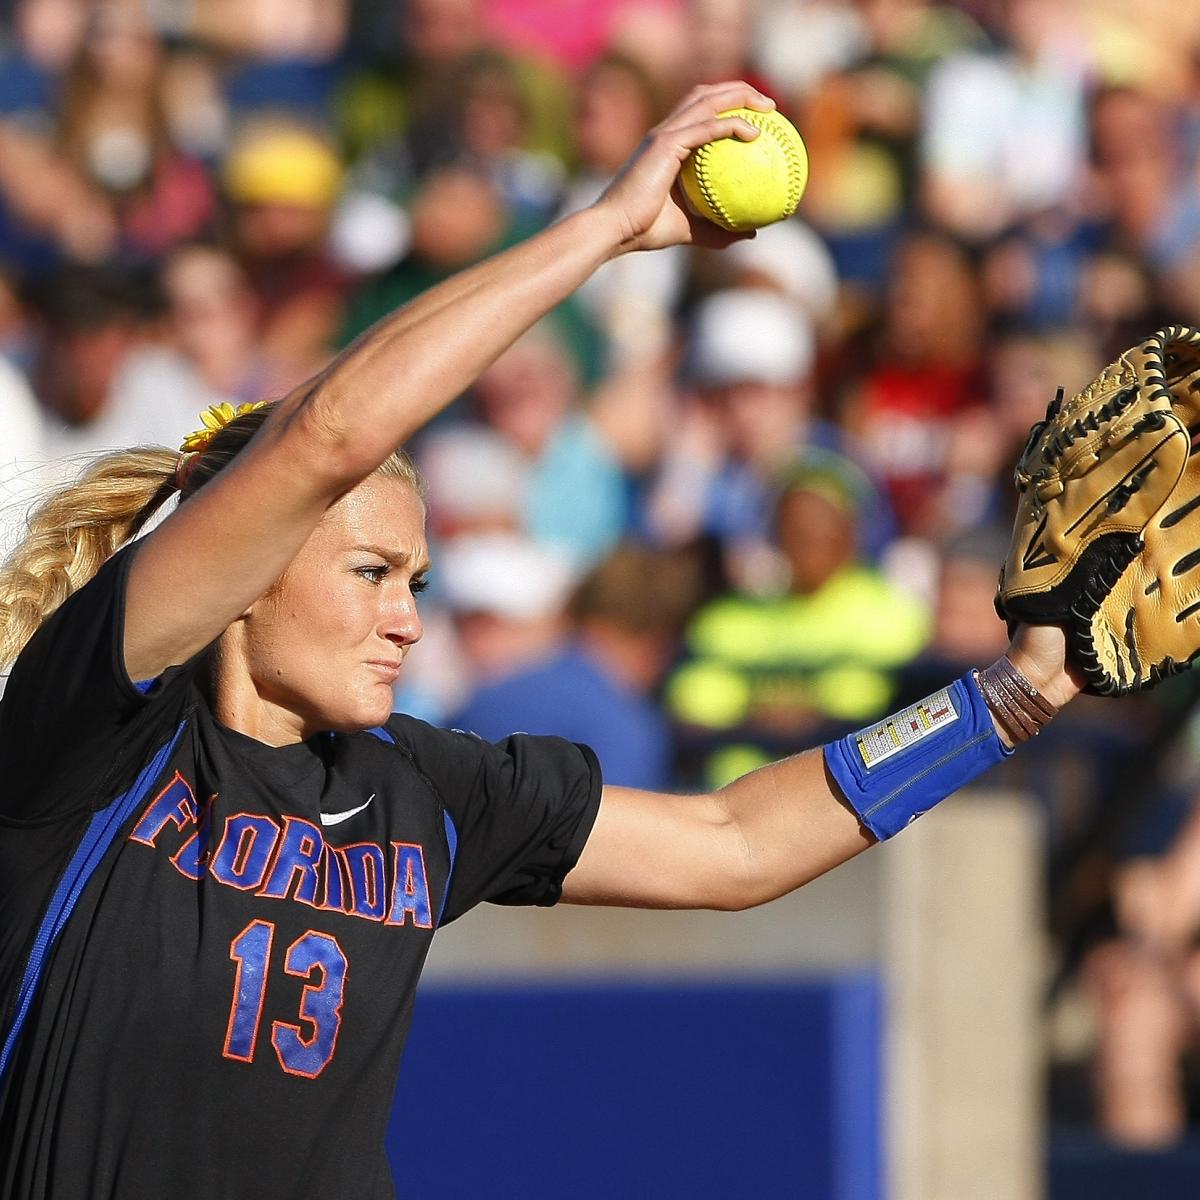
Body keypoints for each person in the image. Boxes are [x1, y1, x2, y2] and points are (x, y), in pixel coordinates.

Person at [0, 83, 1080, 1199]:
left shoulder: (418, 791)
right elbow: (328, 435)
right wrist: (606, 229)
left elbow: (733, 843)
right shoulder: (93, 735)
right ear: (241, 579)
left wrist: (1007, 700)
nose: (407, 616)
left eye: (417, 579)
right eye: (369, 573)